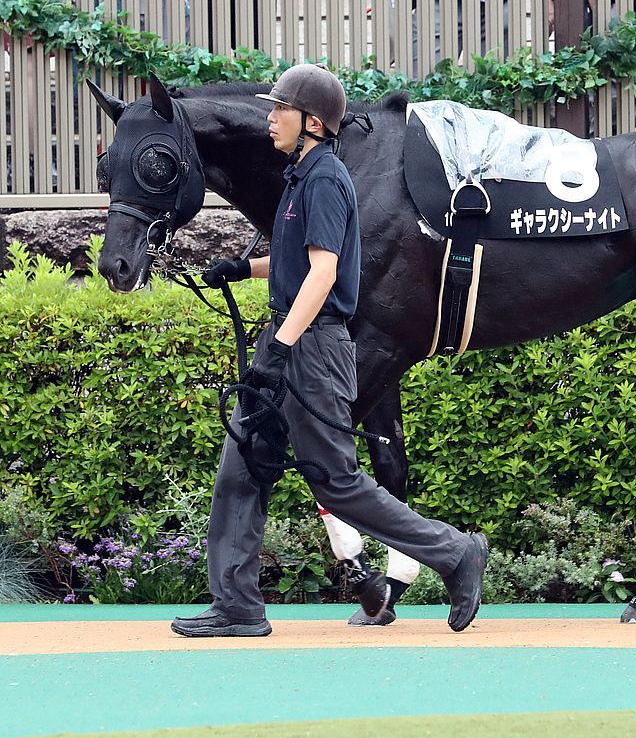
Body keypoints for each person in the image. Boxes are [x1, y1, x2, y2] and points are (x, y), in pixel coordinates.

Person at [171, 63, 488, 637]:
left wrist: (280, 346)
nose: (270, 118)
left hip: (312, 346)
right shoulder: (300, 177)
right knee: (243, 466)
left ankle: (456, 552)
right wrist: (243, 268)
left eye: (280, 109)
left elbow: (325, 272)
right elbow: (300, 259)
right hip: (290, 336)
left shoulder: (325, 179)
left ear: (312, 123)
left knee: (336, 481)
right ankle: (236, 606)